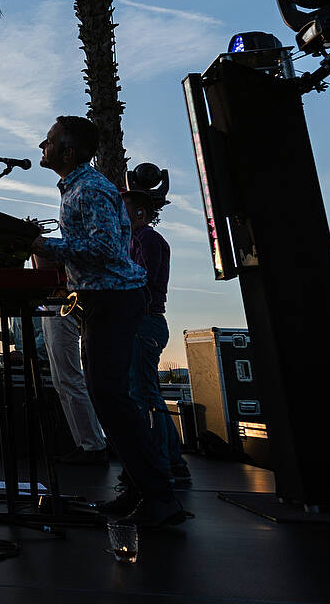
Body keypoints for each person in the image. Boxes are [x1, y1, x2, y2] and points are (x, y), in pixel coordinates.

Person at [29, 116, 185, 529]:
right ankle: (140, 489)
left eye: (47, 142)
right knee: (109, 397)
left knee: (112, 397)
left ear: (67, 151)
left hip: (115, 301)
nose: (40, 147)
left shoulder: (92, 188)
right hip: (103, 301)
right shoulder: (77, 188)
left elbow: (103, 246)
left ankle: (159, 497)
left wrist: (46, 245)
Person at [122, 187, 191, 487]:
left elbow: (141, 277)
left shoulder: (146, 239)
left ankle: (159, 466)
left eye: (122, 208)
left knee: (144, 394)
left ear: (140, 212)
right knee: (148, 392)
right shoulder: (139, 239)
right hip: (145, 322)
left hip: (144, 322)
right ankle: (173, 462)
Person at [34, 253, 107, 464]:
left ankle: (94, 445)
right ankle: (84, 444)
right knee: (61, 382)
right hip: (52, 306)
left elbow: (45, 266)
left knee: (70, 379)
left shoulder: (64, 248)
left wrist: (36, 244)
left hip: (62, 305)